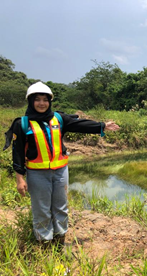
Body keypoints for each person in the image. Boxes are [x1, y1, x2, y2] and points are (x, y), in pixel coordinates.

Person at [3, 81, 119, 248]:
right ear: (30, 101)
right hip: (37, 174)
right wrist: (20, 179)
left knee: (61, 208)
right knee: (42, 210)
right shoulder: (22, 124)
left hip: (60, 172)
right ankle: (45, 246)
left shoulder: (58, 118)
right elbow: (18, 152)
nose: (42, 103)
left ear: (50, 101)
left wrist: (102, 125)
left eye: (45, 99)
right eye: (37, 99)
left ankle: (59, 243)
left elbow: (80, 125)